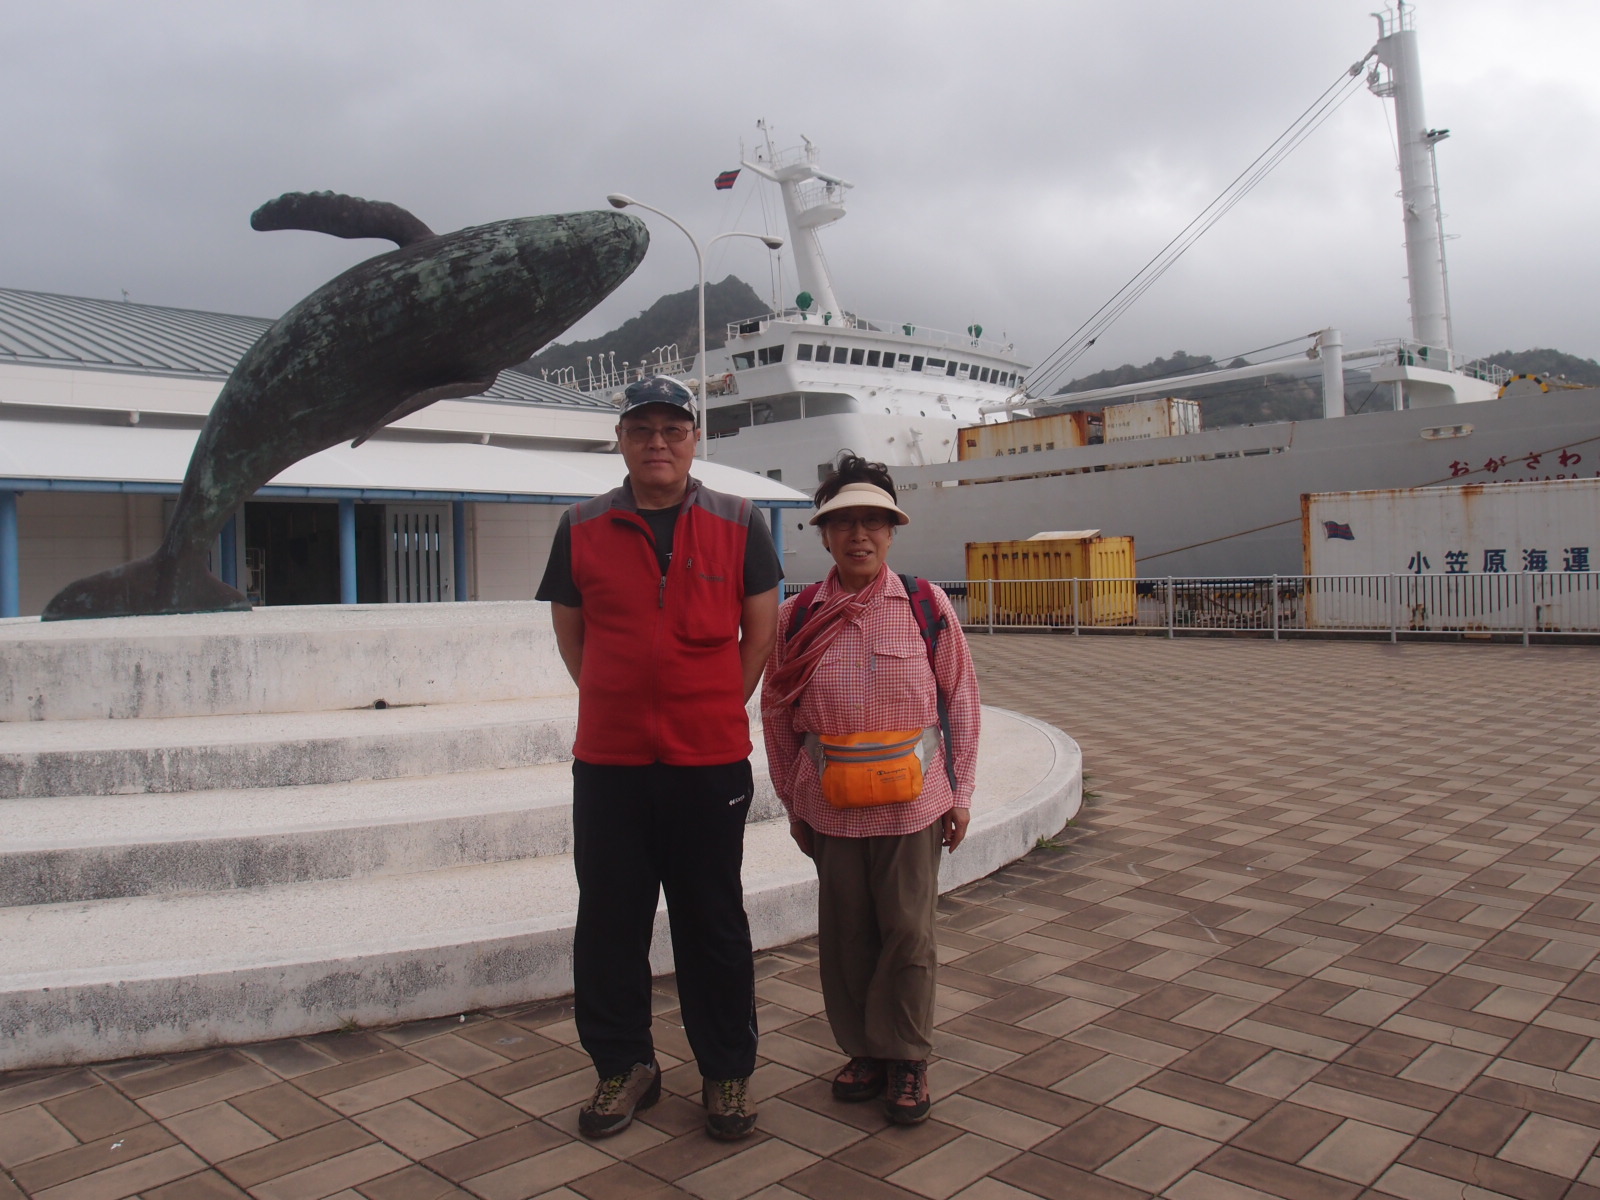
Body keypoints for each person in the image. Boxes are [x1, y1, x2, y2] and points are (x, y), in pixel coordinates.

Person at [536, 375, 781, 1141]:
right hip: (609, 764)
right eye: (641, 430)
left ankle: (726, 1072)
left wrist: (711, 707)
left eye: (673, 429)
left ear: (694, 439)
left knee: (713, 922)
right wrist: (615, 700)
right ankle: (625, 1065)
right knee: (609, 923)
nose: (657, 443)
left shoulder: (740, 521)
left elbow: (760, 633)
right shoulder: (581, 526)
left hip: (708, 763)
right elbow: (571, 632)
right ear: (620, 440)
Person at [760, 453, 980, 1125]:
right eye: (844, 522)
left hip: (914, 806)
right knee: (847, 937)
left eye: (874, 522)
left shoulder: (924, 605)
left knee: (909, 934)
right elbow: (776, 713)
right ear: (824, 534)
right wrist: (792, 801)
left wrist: (962, 792)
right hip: (830, 807)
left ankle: (906, 1055)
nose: (860, 535)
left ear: (892, 531)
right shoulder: (796, 616)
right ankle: (864, 1050)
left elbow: (961, 699)